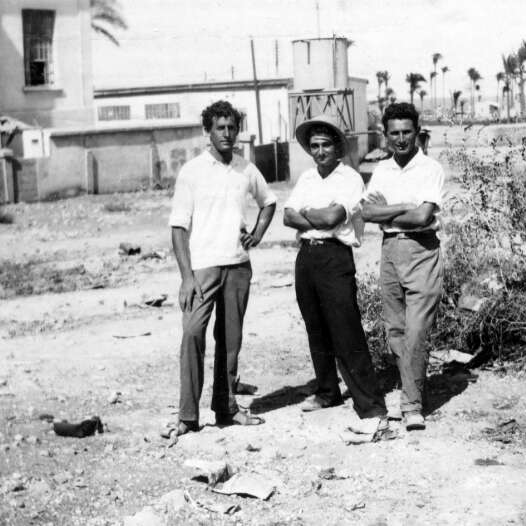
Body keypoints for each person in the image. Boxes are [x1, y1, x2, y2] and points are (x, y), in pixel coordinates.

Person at [167, 100, 276, 436]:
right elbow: (178, 228)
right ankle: (188, 416)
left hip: (237, 266)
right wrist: (186, 277)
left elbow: (269, 202)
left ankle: (226, 408)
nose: (227, 134)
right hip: (202, 268)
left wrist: (257, 234)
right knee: (192, 334)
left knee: (230, 342)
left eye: (232, 127)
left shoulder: (246, 169)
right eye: (220, 128)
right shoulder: (192, 171)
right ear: (208, 131)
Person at [283, 115, 389, 439]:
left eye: (326, 145)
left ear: (337, 147)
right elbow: (287, 216)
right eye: (314, 146)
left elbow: (332, 218)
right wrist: (314, 217)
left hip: (335, 256)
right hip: (307, 256)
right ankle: (327, 391)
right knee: (316, 327)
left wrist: (308, 214)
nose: (320, 151)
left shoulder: (350, 179)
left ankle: (371, 407)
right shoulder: (306, 178)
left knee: (346, 331)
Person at [361, 103, 445, 431]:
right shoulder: (382, 170)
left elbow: (422, 217)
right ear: (385, 135)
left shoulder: (430, 169)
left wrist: (387, 211)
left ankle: (412, 404)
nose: (400, 139)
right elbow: (367, 212)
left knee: (417, 330)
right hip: (390, 250)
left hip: (422, 250)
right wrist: (401, 207)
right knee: (394, 330)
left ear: (417, 132)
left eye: (406, 132)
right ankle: (411, 388)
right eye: (394, 133)